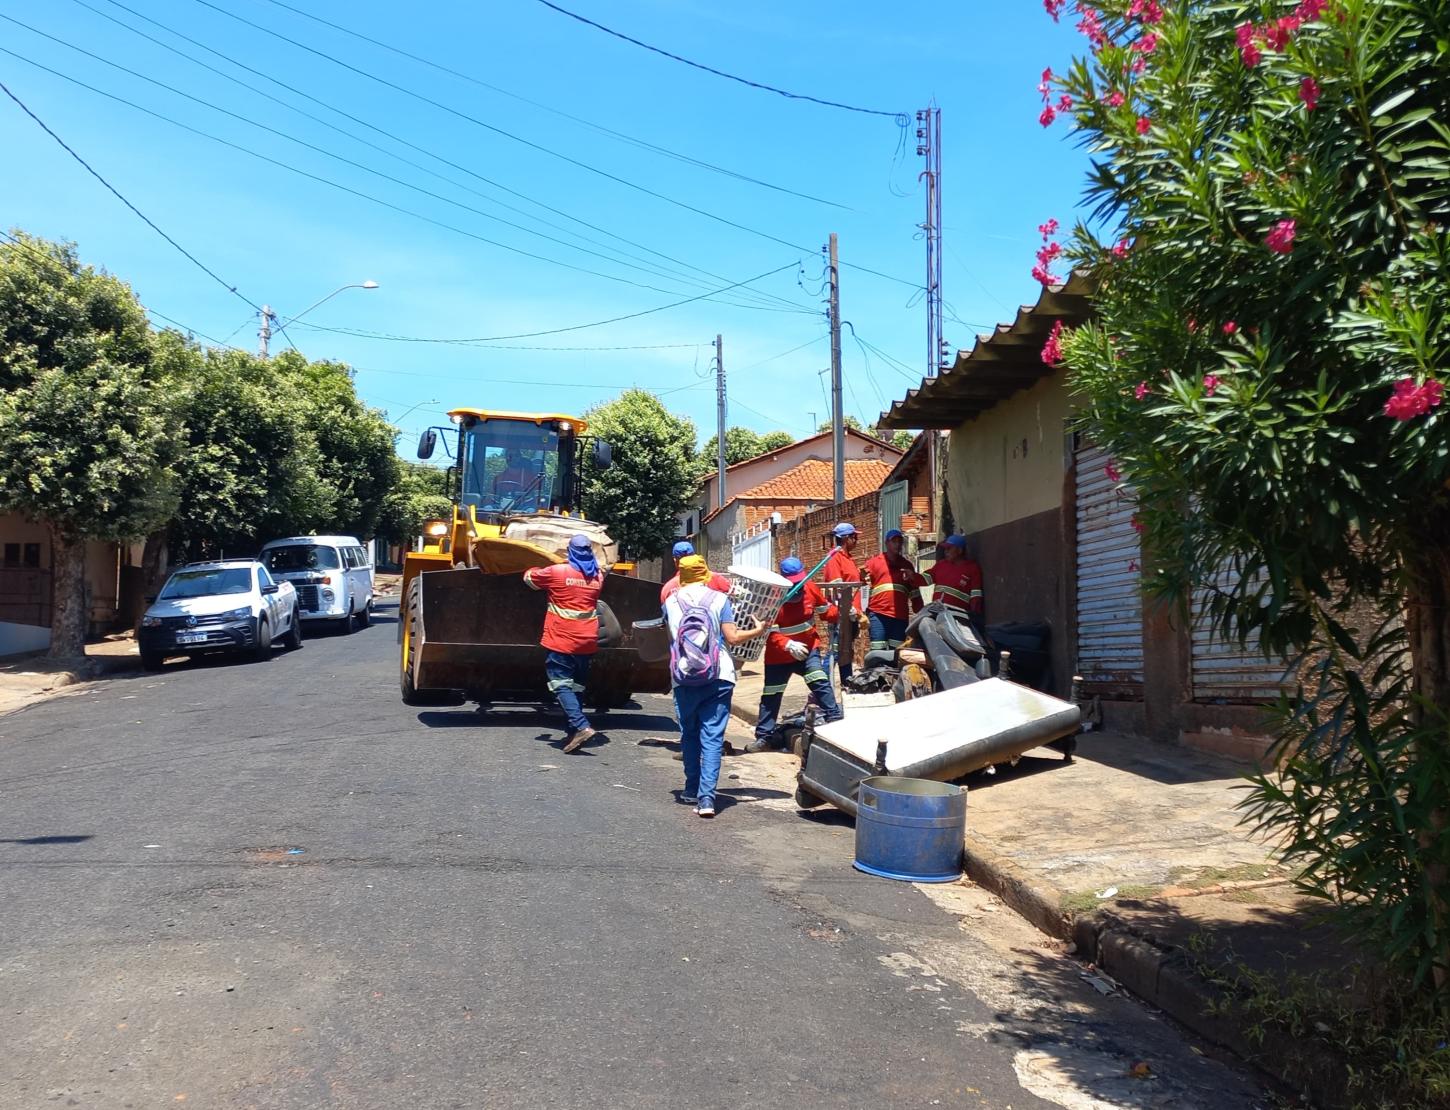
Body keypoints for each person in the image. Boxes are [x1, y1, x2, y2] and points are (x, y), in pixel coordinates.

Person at [664, 555, 766, 817]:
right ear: (705, 573)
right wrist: (757, 631)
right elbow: (732, 638)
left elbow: (673, 637)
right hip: (719, 674)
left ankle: (689, 790)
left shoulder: (669, 600)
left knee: (689, 733)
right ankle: (707, 799)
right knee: (712, 737)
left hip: (684, 676)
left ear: (681, 574)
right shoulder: (720, 600)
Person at [746, 556, 842, 753]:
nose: (797, 586)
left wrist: (841, 611)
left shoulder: (811, 588)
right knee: (771, 694)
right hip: (778, 656)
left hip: (808, 649)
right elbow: (767, 631)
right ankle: (764, 737)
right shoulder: (772, 596)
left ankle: (836, 721)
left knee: (819, 680)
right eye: (793, 583)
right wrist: (788, 644)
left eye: (800, 581)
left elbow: (825, 611)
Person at [523, 534, 605, 753]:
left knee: (560, 684)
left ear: (570, 551)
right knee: (577, 686)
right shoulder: (598, 576)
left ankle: (581, 726)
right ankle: (572, 733)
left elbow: (529, 579)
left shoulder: (557, 572)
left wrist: (533, 566)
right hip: (587, 640)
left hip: (562, 639)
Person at [863, 529, 926, 653]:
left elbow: (914, 591)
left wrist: (920, 610)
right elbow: (864, 587)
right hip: (879, 615)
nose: (897, 544)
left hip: (900, 617)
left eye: (899, 542)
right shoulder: (874, 563)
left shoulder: (907, 565)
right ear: (887, 543)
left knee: (896, 654)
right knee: (877, 652)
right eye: (894, 541)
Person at [821, 522, 866, 681]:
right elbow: (836, 589)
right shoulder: (835, 558)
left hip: (850, 615)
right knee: (835, 652)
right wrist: (847, 609)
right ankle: (819, 690)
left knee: (846, 652)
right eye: (855, 537)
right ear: (846, 539)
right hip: (841, 615)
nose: (857, 540)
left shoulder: (848, 558)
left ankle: (847, 684)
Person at [926, 534, 984, 616]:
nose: (946, 551)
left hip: (958, 616)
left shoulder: (972, 568)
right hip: (936, 612)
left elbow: (976, 595)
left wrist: (974, 614)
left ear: (959, 550)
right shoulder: (941, 565)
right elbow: (926, 578)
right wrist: (912, 576)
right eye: (945, 548)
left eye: (949, 548)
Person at [659, 540, 730, 603]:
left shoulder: (669, 587)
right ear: (694, 556)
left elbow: (667, 613)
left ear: (675, 561)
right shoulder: (716, 579)